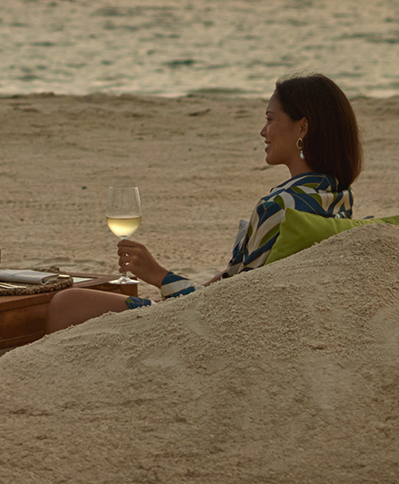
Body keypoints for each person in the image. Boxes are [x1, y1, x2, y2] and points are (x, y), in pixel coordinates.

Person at [46, 73, 362, 333]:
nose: (263, 131)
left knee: (68, 303)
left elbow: (231, 308)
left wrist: (159, 275)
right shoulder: (338, 197)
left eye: (270, 119)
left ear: (302, 128)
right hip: (270, 321)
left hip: (221, 330)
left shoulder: (280, 205)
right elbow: (240, 285)